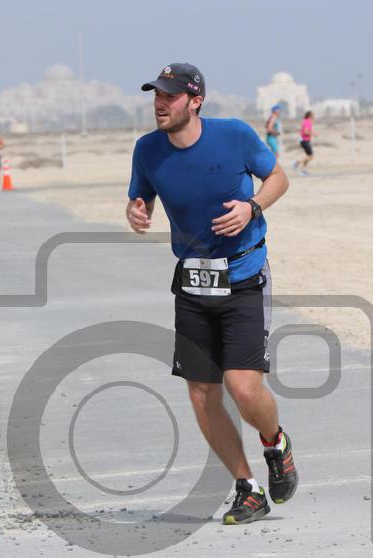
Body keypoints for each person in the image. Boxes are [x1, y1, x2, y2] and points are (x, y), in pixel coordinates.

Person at [126, 63, 298, 525]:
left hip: (244, 274)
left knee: (243, 387)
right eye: (156, 95)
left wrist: (251, 207)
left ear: (195, 100)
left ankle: (275, 443)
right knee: (202, 393)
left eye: (170, 95)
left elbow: (279, 178)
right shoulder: (147, 150)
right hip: (193, 282)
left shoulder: (234, 135)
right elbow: (141, 198)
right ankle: (248, 488)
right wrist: (136, 212)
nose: (159, 103)